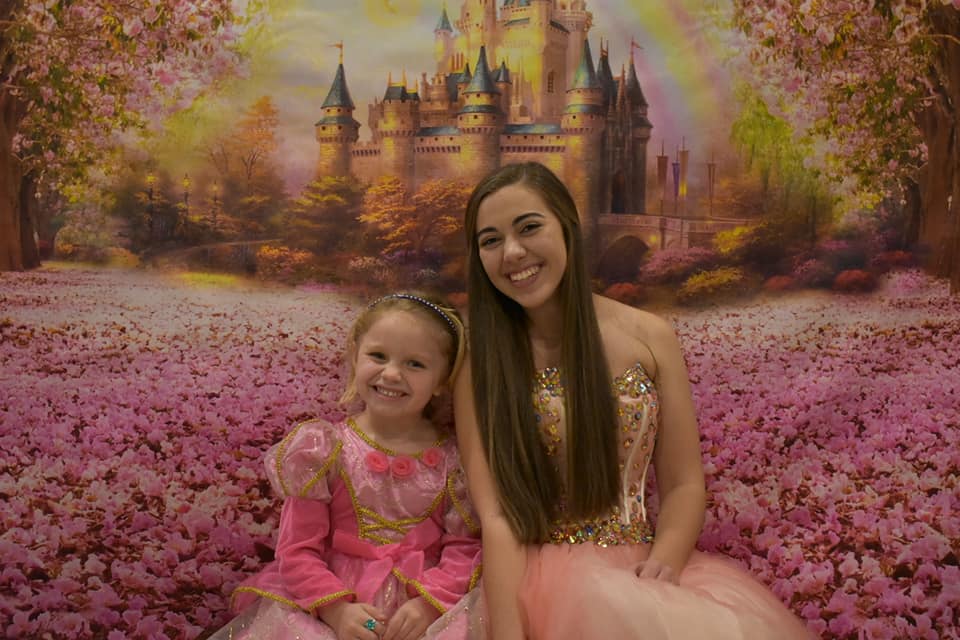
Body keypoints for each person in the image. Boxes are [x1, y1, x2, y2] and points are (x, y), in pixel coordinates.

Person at [431, 162, 813, 639]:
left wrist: (663, 567)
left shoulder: (649, 336)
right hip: (528, 582)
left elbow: (683, 484)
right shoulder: (479, 359)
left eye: (529, 228)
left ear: (567, 226)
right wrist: (507, 631)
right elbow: (498, 514)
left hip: (643, 570)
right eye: (490, 240)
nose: (512, 252)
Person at [209, 292, 481, 640]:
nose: (391, 373)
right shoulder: (323, 450)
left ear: (443, 380)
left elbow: (465, 547)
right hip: (332, 608)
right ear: (355, 356)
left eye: (415, 364)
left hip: (420, 616)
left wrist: (429, 605)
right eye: (378, 356)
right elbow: (296, 549)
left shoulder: (455, 461)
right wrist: (335, 610)